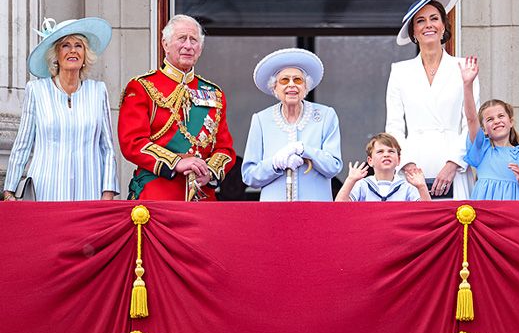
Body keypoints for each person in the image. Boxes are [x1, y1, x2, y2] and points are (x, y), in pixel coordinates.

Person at [118, 14, 235, 201]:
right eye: (182, 39)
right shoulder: (142, 87)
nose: (188, 46)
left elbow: (225, 149)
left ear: (200, 48)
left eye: (194, 40)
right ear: (165, 44)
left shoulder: (214, 93)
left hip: (202, 196)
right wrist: (176, 163)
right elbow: (133, 142)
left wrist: (210, 172)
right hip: (157, 194)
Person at [3, 17, 119, 201]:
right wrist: (9, 190)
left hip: (89, 190)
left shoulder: (98, 91)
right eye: (65, 45)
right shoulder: (37, 90)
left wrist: (108, 192)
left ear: (85, 55)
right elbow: (23, 144)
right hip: (46, 190)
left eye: (78, 45)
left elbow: (107, 147)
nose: (72, 50)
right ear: (55, 55)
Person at [386, 0, 478, 199]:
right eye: (420, 21)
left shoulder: (465, 67)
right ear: (414, 33)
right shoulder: (399, 72)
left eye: (434, 18)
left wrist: (454, 163)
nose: (428, 25)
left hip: (453, 167)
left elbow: (471, 123)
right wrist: (406, 162)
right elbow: (394, 125)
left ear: (444, 26)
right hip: (413, 166)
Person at [242, 48, 342, 201]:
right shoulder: (261, 120)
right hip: (274, 211)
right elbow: (249, 176)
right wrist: (274, 164)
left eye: (298, 80)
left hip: (315, 210)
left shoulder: (326, 116)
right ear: (274, 87)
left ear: (305, 87)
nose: (291, 85)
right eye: (284, 80)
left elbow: (333, 167)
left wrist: (304, 150)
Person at [460, 56, 519, 200]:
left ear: (511, 121)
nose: (496, 121)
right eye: (490, 119)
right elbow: (471, 119)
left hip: (514, 213)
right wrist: (467, 85)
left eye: (501, 116)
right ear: (484, 129)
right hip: (486, 212)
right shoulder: (482, 150)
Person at [335, 133, 431, 201]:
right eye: (380, 151)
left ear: (399, 160)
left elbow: (426, 213)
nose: (386, 155)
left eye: (391, 151)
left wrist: (422, 187)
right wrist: (350, 180)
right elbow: (339, 207)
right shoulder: (362, 185)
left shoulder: (407, 187)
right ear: (370, 161)